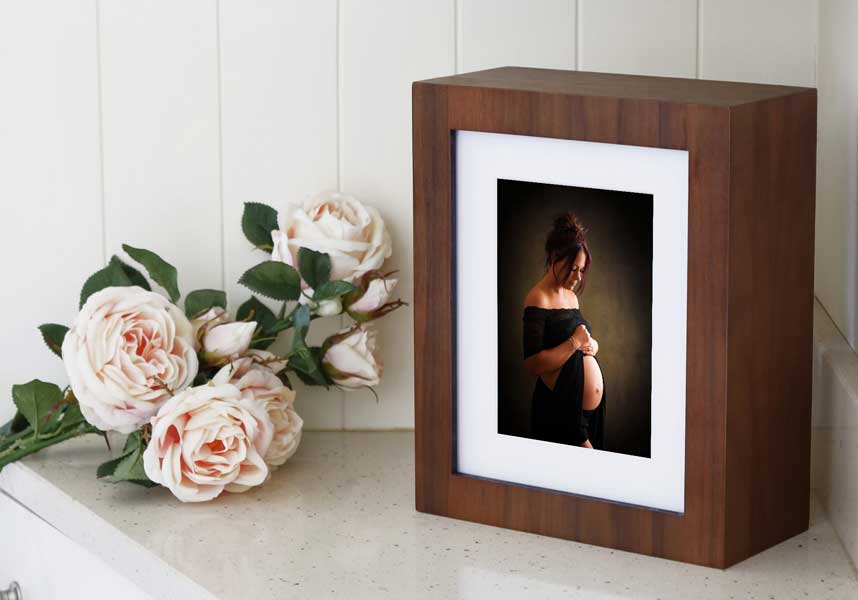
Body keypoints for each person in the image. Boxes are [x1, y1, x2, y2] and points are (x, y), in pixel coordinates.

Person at [522, 212, 606, 449]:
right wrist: (574, 342)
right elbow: (532, 364)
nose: (578, 278)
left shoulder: (571, 297)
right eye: (572, 269)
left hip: (585, 413)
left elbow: (582, 338)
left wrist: (593, 345)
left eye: (581, 270)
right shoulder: (537, 298)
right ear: (555, 257)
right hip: (561, 409)